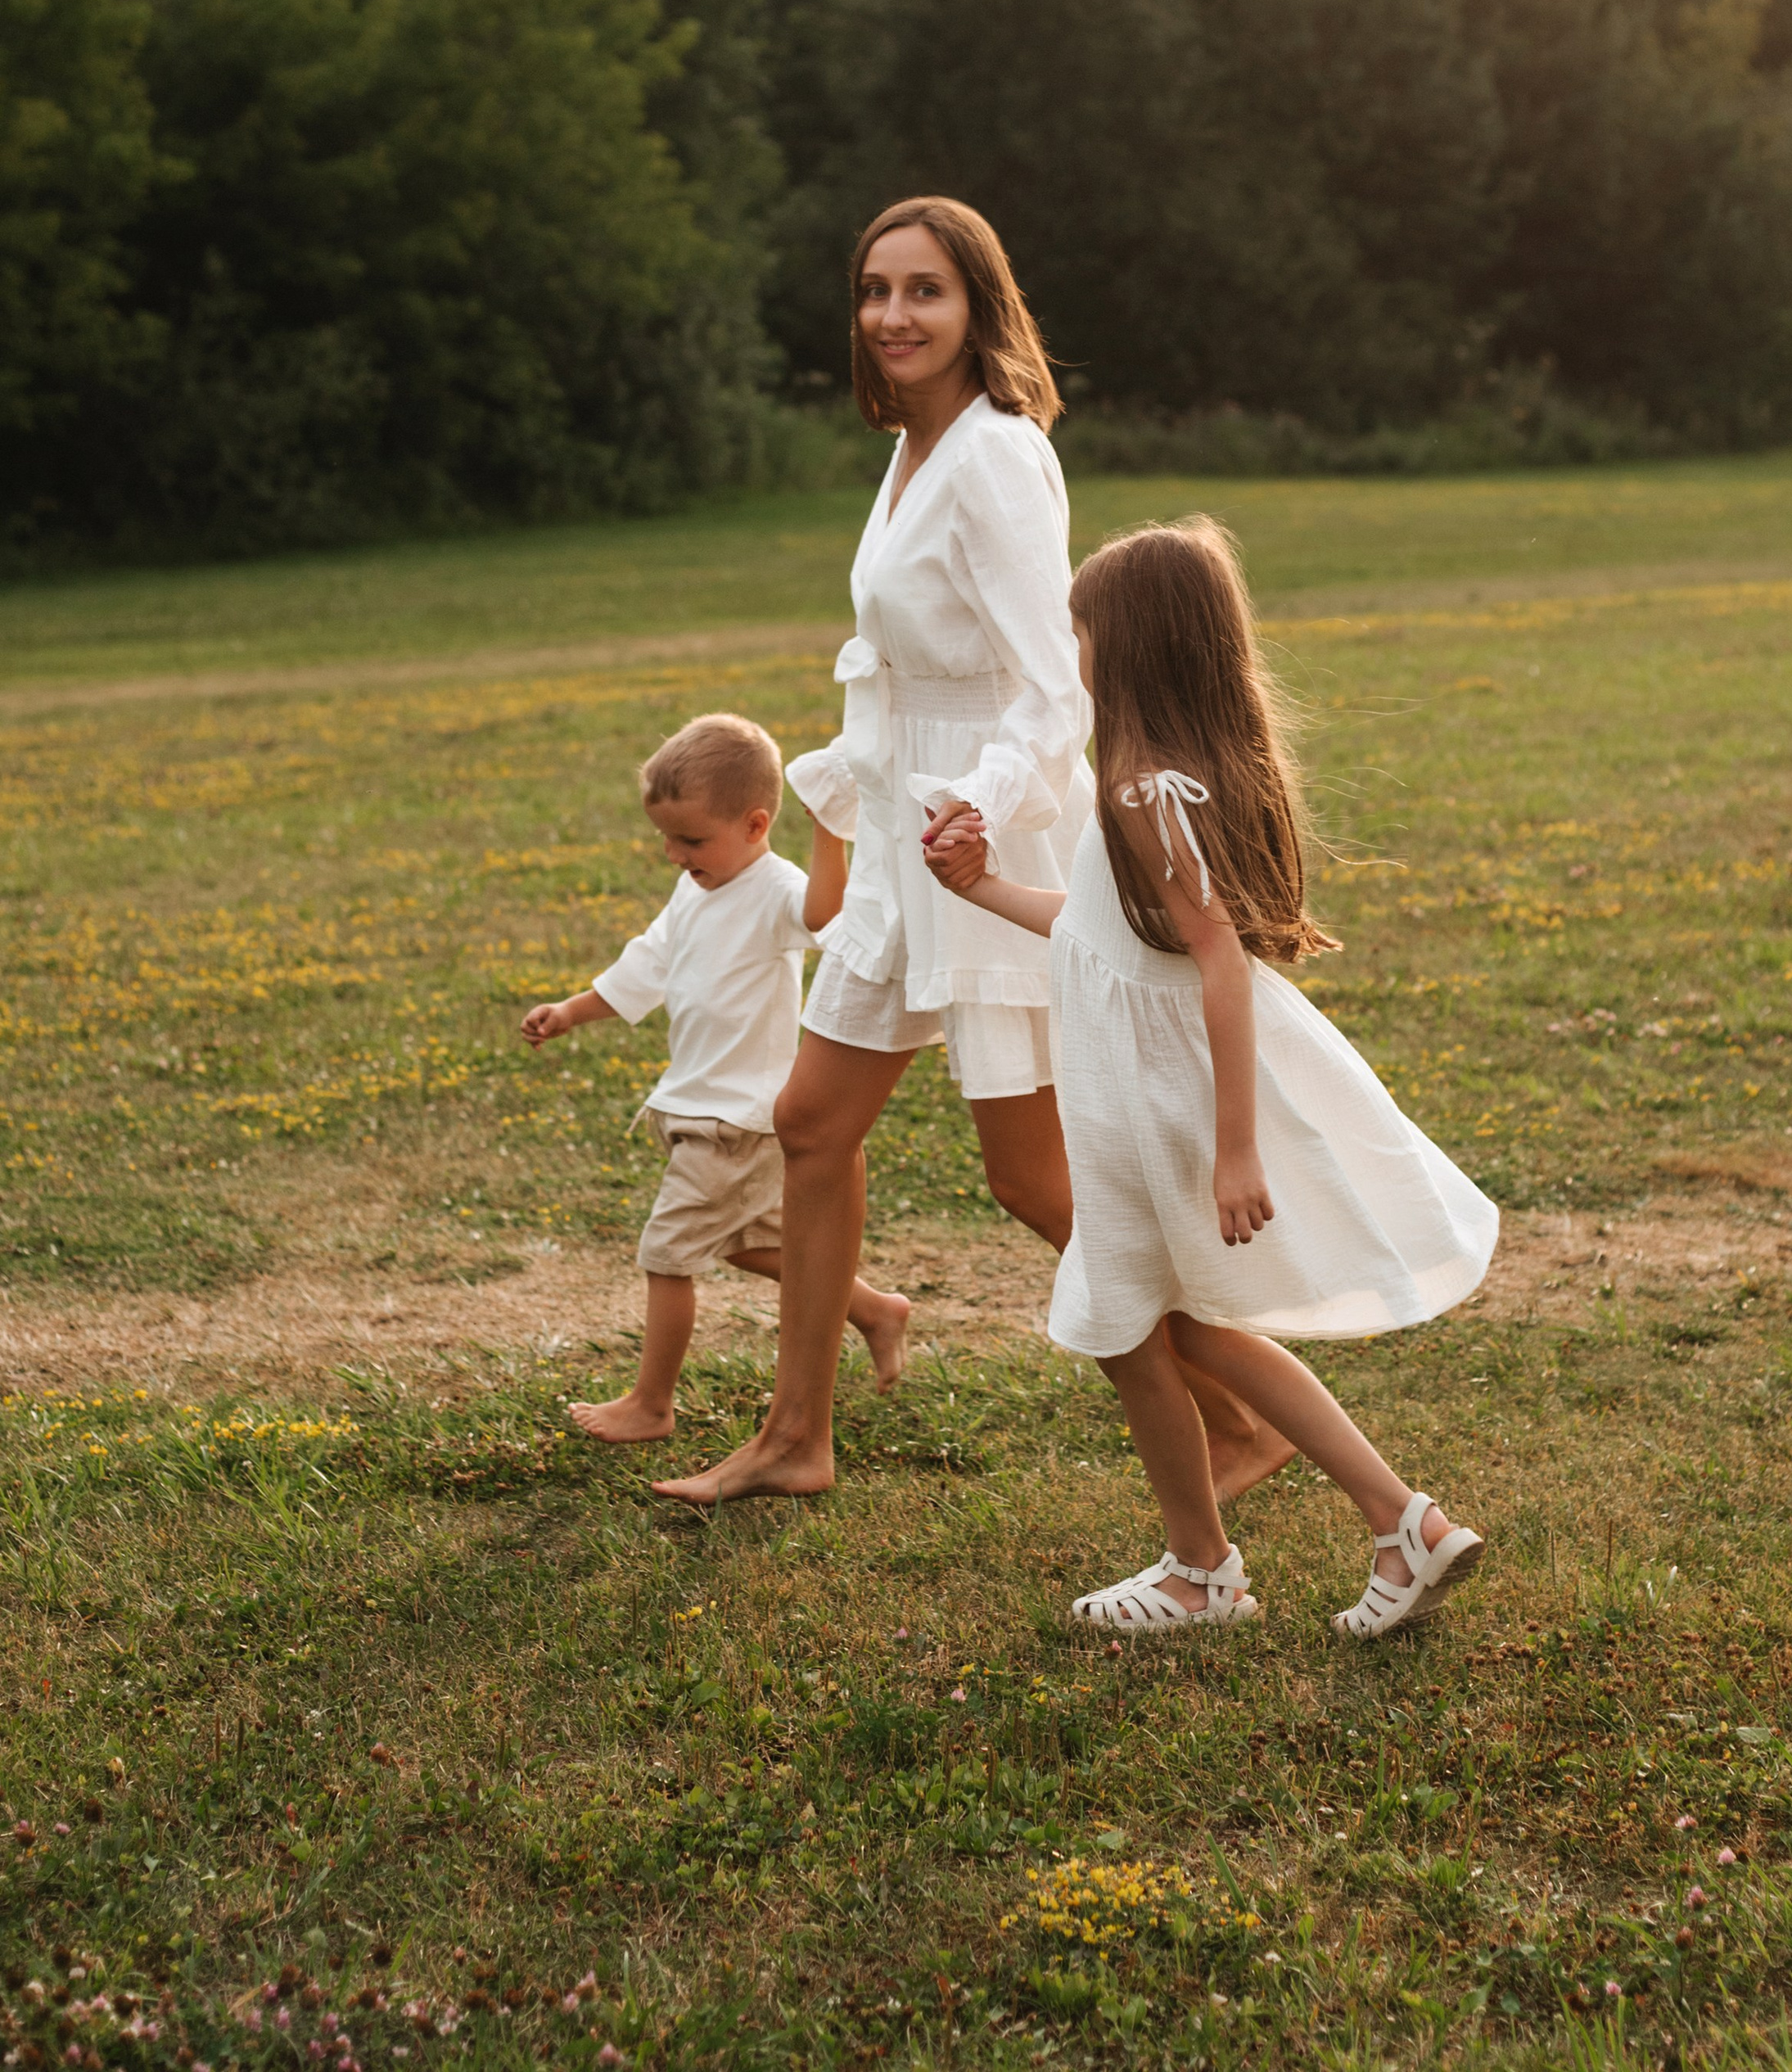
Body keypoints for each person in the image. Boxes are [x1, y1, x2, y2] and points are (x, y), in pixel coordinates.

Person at [654, 198, 1288, 1508]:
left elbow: (1054, 683)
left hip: (972, 839)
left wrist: (982, 810)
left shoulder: (998, 456)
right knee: (810, 1123)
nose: (893, 316)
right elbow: (890, 670)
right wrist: (852, 814)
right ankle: (797, 1436)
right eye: (876, 291)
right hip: (900, 845)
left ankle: (1247, 1409)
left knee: (1031, 1178)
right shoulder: (910, 452)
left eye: (924, 291)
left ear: (977, 308)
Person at [926, 517, 1498, 1635]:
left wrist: (1236, 1146)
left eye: (1081, 632)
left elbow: (1217, 956)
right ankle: (1379, 1528)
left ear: (1128, 647)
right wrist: (984, 888)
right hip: (1135, 1087)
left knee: (1132, 1320)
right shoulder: (1153, 780)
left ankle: (1214, 1571)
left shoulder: (1148, 788)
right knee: (1159, 1324)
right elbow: (1105, 933)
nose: (1073, 653)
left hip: (1157, 1098)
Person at [520, 711, 910, 1444]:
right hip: (712, 1112)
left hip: (732, 1121)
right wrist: (573, 1011)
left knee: (667, 1258)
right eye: (666, 837)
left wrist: (832, 826)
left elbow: (826, 917)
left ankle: (652, 1405)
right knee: (747, 1245)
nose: (673, 853)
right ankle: (872, 1309)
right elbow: (649, 963)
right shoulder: (695, 888)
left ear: (758, 824)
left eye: (691, 839)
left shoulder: (773, 889)